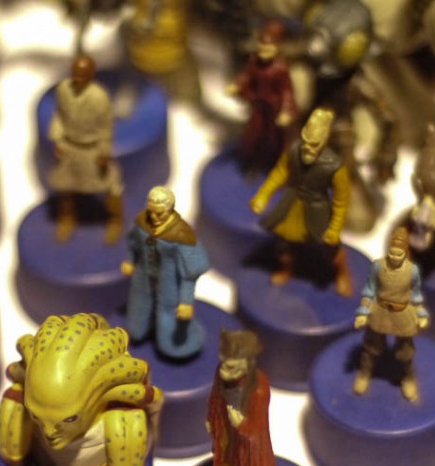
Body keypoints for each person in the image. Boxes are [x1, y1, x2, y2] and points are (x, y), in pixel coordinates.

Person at [250, 107, 352, 296]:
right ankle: (287, 268)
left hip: (317, 209)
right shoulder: (294, 150)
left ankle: (342, 274)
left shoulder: (335, 166)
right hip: (291, 203)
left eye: (314, 144)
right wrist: (262, 196)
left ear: (324, 141)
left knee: (329, 248)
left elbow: (341, 201)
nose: (308, 148)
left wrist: (335, 228)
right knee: (283, 243)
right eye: (306, 141)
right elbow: (280, 173)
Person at [205, 329, 290, 466]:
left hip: (248, 447)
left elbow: (259, 426)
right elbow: (216, 397)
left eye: (231, 366)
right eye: (224, 363)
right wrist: (212, 419)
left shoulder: (258, 388)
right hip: (227, 434)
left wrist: (243, 426)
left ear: (247, 362)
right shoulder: (221, 373)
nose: (225, 370)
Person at [122, 186, 209, 359]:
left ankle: (173, 345)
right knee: (139, 305)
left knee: (168, 314)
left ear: (170, 210)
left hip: (170, 283)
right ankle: (139, 330)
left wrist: (186, 301)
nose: (154, 217)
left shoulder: (182, 235)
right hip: (144, 276)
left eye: (160, 213)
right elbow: (133, 243)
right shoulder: (141, 222)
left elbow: (189, 273)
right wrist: (130, 260)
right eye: (151, 211)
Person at [47, 53, 124, 244]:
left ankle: (115, 220)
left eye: (83, 75)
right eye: (76, 73)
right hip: (69, 146)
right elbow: (59, 115)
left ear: (91, 75)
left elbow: (105, 127)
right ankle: (67, 218)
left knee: (110, 186)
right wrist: (57, 139)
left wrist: (104, 152)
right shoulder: (63, 89)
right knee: (65, 187)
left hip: (92, 149)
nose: (78, 78)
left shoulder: (99, 98)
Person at [353, 228, 430, 402]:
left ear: (405, 253)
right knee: (371, 346)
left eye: (399, 254)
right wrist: (363, 312)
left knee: (406, 351)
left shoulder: (411, 270)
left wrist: (421, 314)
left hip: (403, 311)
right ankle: (365, 373)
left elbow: (416, 295)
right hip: (380, 310)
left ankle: (408, 377)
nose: (395, 257)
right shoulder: (378, 266)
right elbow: (369, 290)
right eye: (392, 253)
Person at [226, 20, 296, 173]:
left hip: (274, 109)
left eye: (268, 48)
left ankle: (270, 165)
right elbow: (247, 76)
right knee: (253, 134)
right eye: (261, 47)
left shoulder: (281, 68)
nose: (263, 52)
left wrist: (286, 110)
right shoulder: (254, 61)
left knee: (272, 139)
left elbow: (287, 91)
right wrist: (236, 85)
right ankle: (251, 162)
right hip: (258, 105)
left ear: (277, 47)